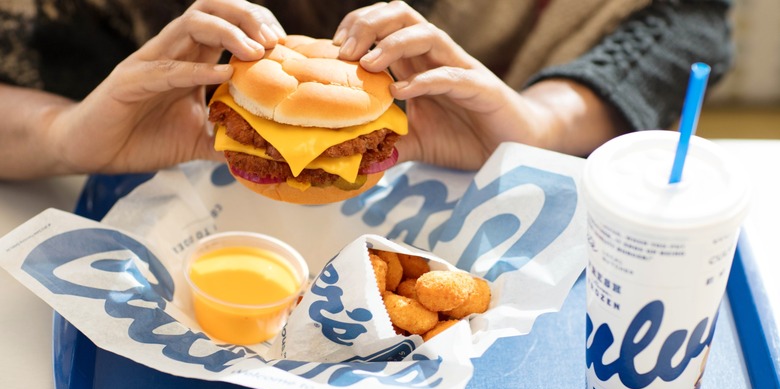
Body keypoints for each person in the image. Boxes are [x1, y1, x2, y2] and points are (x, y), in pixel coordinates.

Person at [0, 0, 733, 180]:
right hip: (88, 199)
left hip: (470, 196)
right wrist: (57, 136)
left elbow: (682, 20)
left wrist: (543, 121)